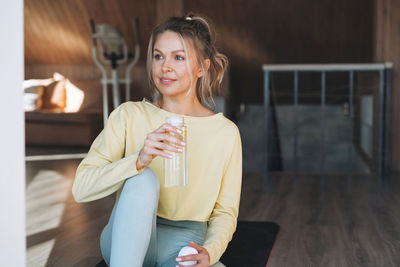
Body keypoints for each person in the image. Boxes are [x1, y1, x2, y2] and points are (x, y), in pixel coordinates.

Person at [72, 14, 242, 267]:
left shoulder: (226, 133)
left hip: (186, 240)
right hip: (124, 238)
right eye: (159, 56)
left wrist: (210, 252)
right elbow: (81, 189)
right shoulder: (128, 116)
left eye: (178, 57)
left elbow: (225, 212)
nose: (165, 67)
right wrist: (138, 161)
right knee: (144, 178)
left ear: (202, 68)